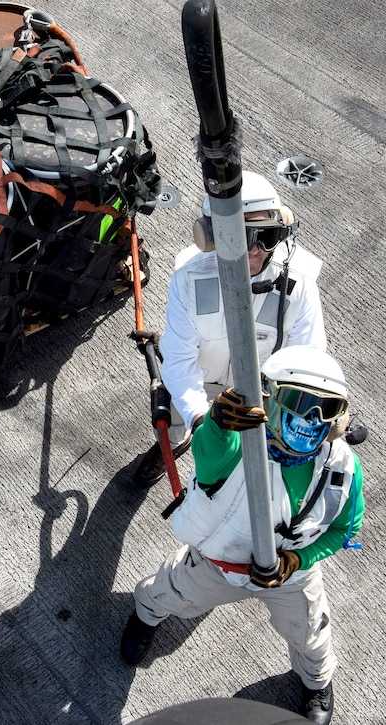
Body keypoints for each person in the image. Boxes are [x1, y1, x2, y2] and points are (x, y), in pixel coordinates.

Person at [120, 345, 364, 725]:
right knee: (168, 591)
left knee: (310, 632)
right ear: (271, 397)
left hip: (291, 576)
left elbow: (341, 529)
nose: (310, 418)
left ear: (338, 420)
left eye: (325, 409)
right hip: (219, 566)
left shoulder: (343, 469)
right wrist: (218, 421)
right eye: (299, 401)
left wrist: (300, 560)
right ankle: (146, 615)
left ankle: (316, 681)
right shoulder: (235, 447)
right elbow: (208, 452)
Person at [134, 170, 327, 486]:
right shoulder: (188, 278)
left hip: (259, 398)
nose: (254, 250)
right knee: (174, 421)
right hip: (201, 379)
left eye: (265, 235)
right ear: (211, 236)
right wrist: (201, 422)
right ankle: (173, 444)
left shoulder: (301, 286)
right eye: (239, 237)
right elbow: (181, 364)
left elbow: (308, 366)